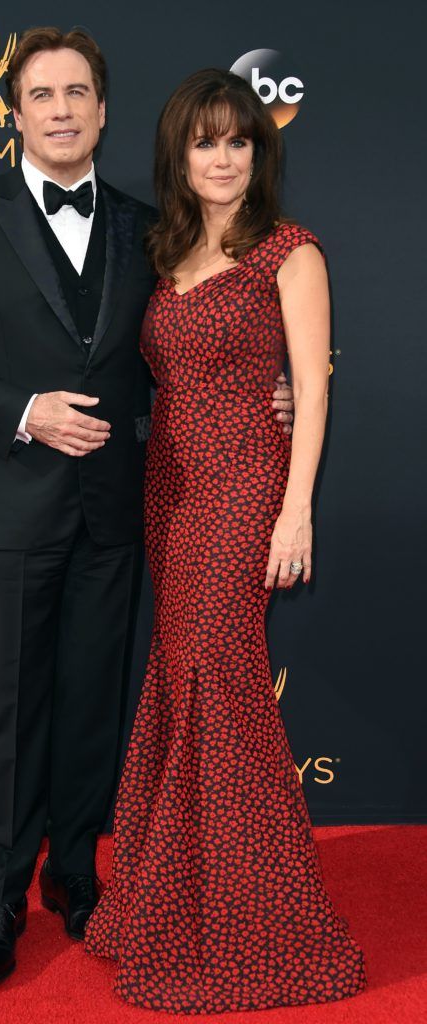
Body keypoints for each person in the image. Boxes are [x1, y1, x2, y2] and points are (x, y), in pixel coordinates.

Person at [0, 32, 295, 989]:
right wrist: (23, 411)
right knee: (11, 712)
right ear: (17, 112)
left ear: (105, 111)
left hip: (120, 514)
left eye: (80, 92)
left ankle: (77, 875)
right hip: (7, 508)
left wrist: (267, 394)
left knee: (87, 713)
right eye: (43, 94)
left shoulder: (145, 226)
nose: (63, 109)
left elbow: (195, 342)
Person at [84, 68, 367, 1013]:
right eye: (205, 141)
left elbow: (312, 388)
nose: (221, 157)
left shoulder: (291, 251)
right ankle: (179, 899)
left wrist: (297, 509)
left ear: (259, 152)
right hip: (169, 487)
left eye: (238, 140)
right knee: (182, 677)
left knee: (222, 683)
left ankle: (265, 923)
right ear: (180, 153)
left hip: (248, 486)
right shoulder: (162, 255)